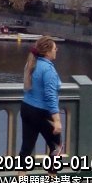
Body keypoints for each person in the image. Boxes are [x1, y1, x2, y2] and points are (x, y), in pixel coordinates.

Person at [18, 36, 62, 174]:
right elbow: (50, 96)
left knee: (26, 147)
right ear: (47, 52)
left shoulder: (31, 64)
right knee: (56, 148)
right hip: (42, 112)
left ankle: (20, 178)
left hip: (27, 107)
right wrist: (57, 120)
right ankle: (52, 179)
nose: (56, 50)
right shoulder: (48, 70)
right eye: (55, 48)